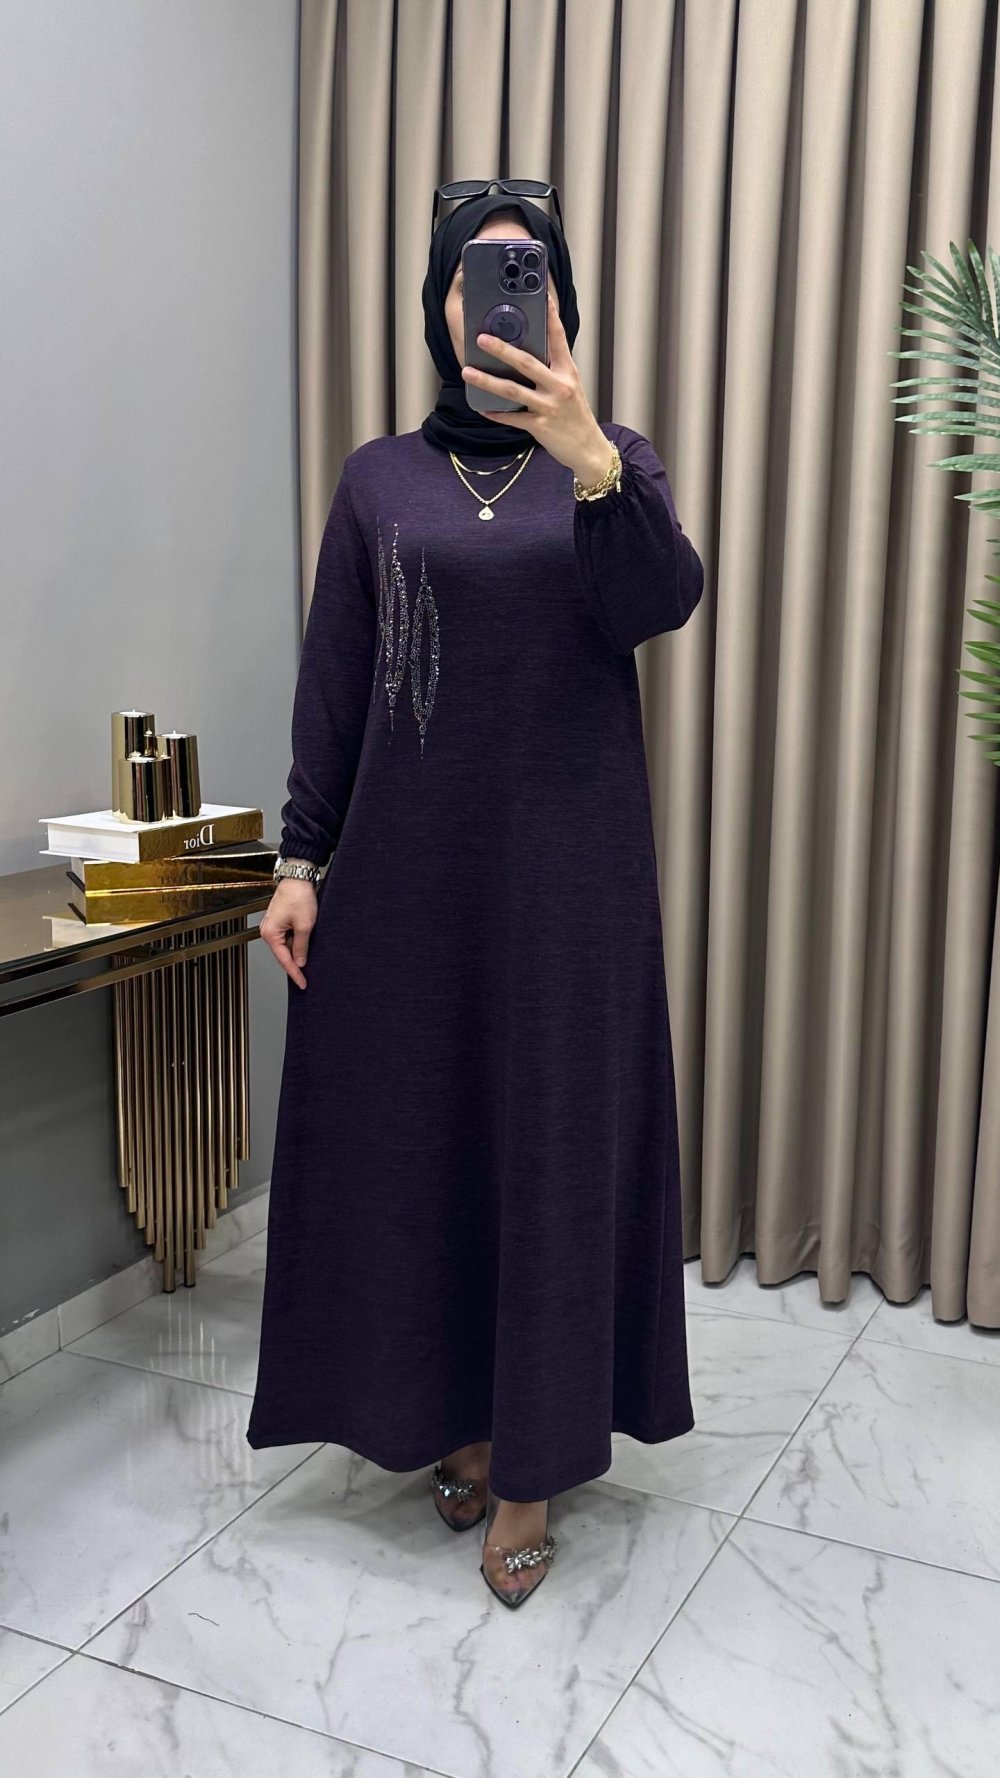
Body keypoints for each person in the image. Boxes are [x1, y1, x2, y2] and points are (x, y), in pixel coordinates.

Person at [246, 185, 704, 1610]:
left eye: (529, 273)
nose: (501, 298)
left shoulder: (611, 459)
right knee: (428, 1142)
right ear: (440, 305)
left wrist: (590, 456)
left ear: (561, 304)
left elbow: (660, 601)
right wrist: (300, 860)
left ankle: (530, 1468)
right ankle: (453, 1413)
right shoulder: (379, 478)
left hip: (570, 882)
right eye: (475, 276)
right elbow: (336, 678)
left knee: (550, 1154)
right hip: (409, 882)